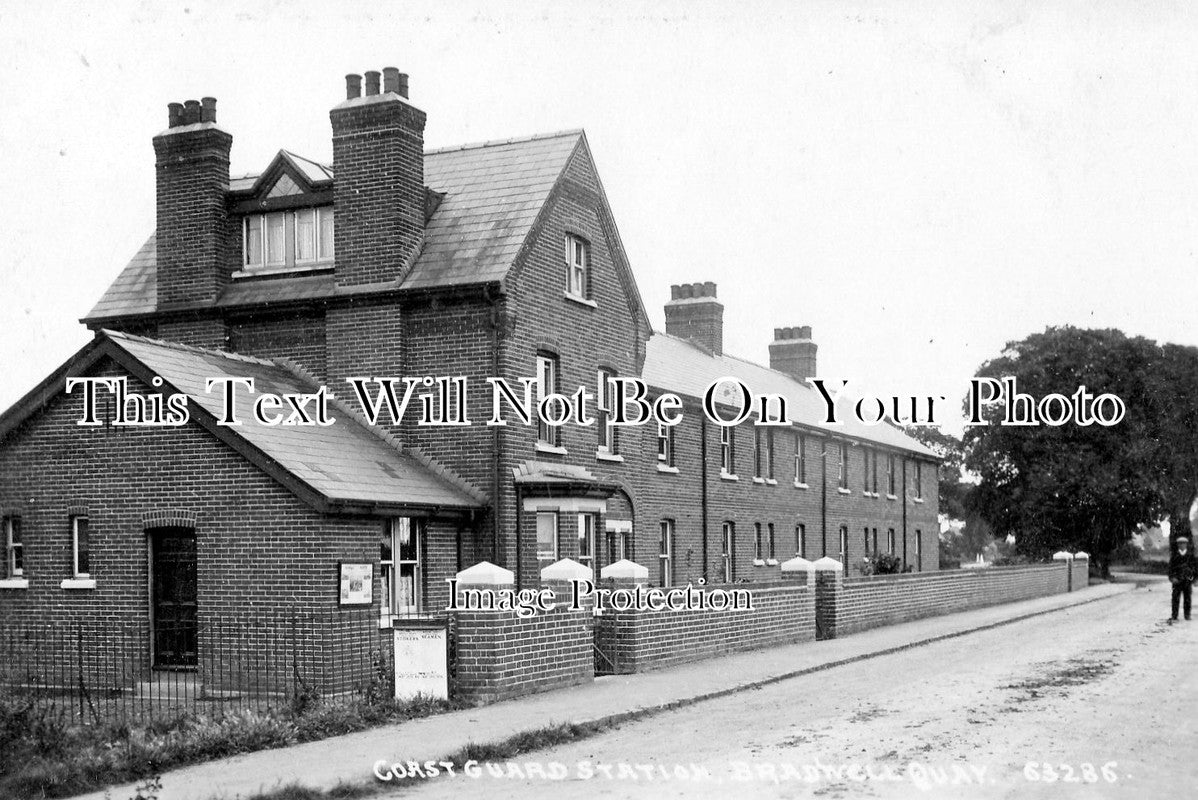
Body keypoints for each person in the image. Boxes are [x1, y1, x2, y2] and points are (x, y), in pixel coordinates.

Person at [1168, 536, 1198, 622]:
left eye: (1183, 543)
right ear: (1178, 545)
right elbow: (1170, 568)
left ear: (1186, 545)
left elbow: (1195, 568)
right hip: (1177, 580)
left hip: (1187, 580)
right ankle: (1174, 615)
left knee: (1187, 598)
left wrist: (1196, 579)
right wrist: (1172, 577)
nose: (1182, 545)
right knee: (1175, 598)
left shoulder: (1191, 556)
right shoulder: (1174, 556)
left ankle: (1187, 615)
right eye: (1180, 544)